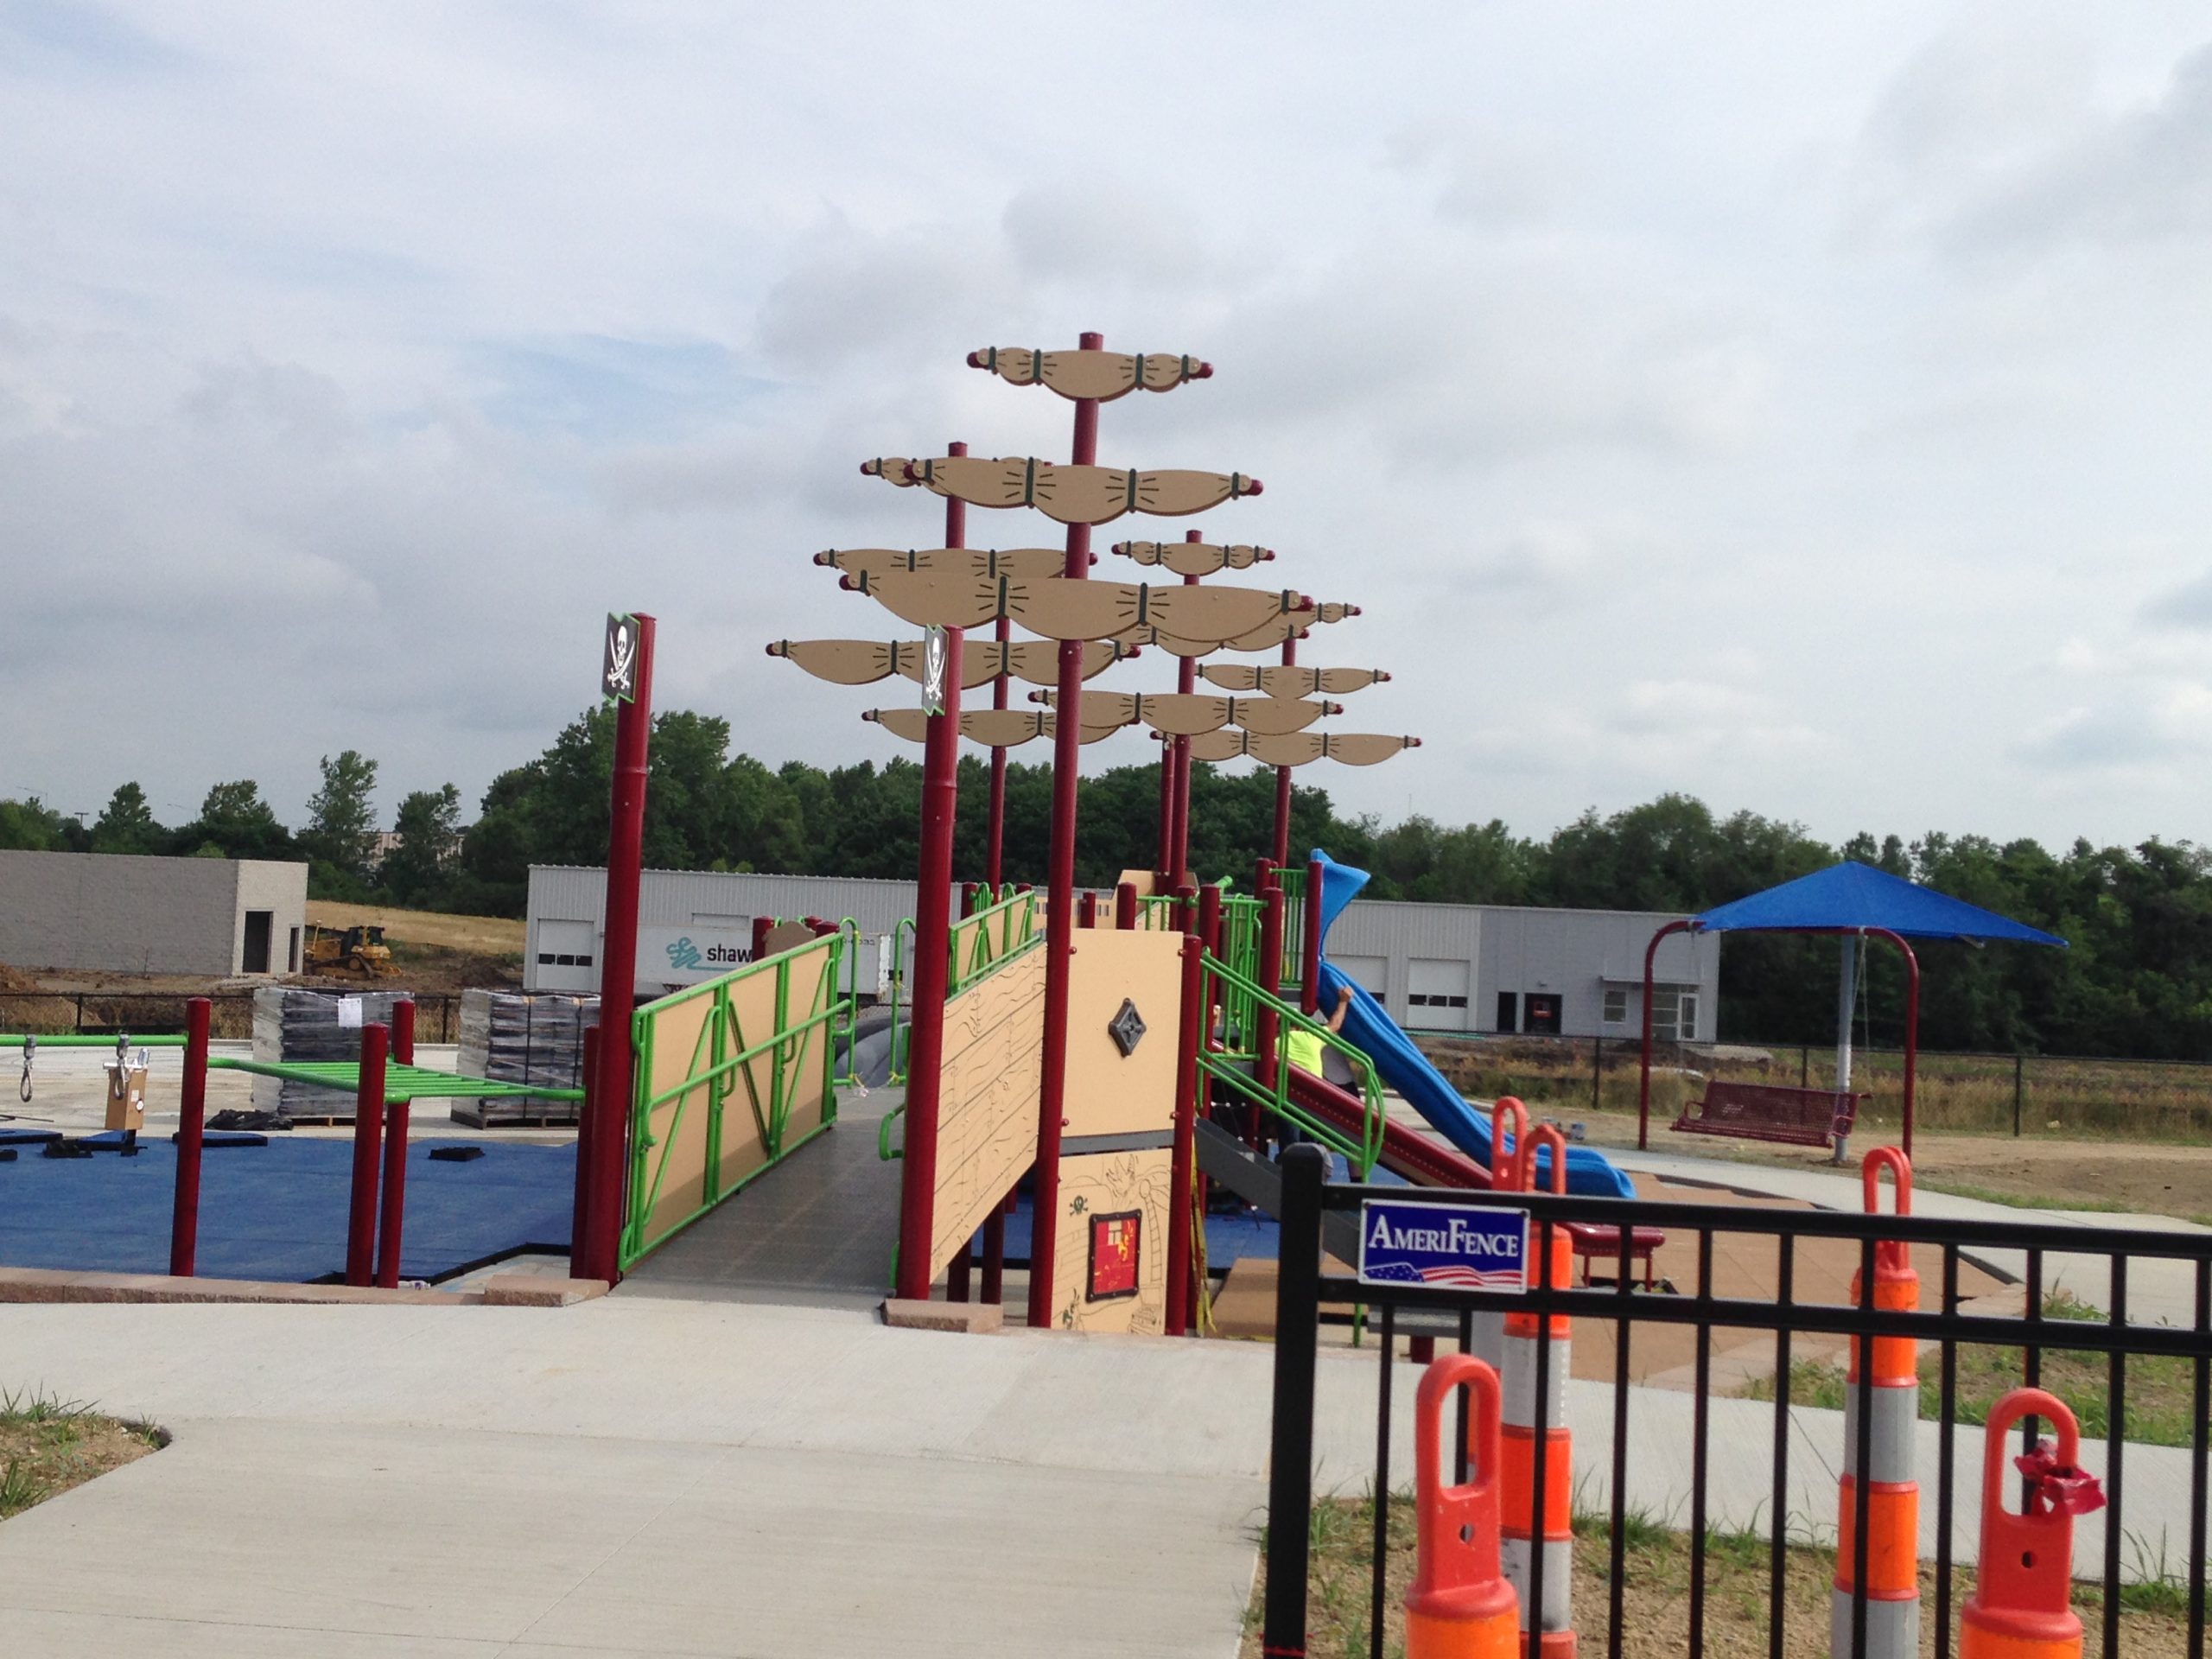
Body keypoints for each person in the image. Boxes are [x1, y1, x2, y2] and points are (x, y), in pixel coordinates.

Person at [1285, 983, 1353, 1079]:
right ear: (1298, 1026)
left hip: (1290, 1087)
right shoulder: (1310, 1038)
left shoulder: (1273, 1044)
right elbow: (1335, 1024)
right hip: (1315, 1087)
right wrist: (1343, 1001)